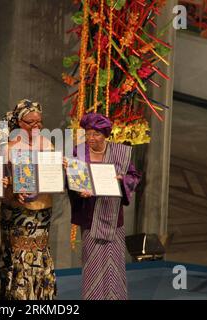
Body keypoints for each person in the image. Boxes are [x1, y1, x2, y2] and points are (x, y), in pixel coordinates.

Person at [65, 113, 141, 300]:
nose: (91, 138)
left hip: (113, 217)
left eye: (96, 134)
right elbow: (70, 179)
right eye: (88, 134)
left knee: (114, 261)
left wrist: (122, 181)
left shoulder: (119, 152)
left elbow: (134, 177)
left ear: (105, 134)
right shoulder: (78, 151)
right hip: (90, 215)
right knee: (92, 261)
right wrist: (77, 190)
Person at [0, 99, 56, 300]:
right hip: (16, 211)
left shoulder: (47, 144)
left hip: (42, 211)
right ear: (19, 122)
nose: (36, 126)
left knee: (39, 252)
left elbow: (52, 176)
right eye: (31, 122)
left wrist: (62, 168)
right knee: (17, 254)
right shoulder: (8, 147)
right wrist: (10, 185)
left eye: (39, 122)